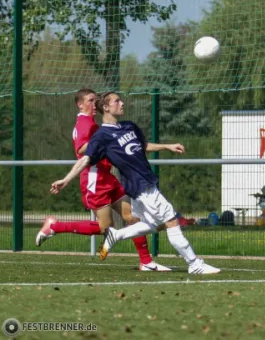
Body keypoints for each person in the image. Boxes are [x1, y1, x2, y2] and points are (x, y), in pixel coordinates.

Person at [50, 92, 221, 275]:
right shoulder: (102, 136)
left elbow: (143, 145)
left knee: (151, 222)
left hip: (145, 182)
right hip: (140, 186)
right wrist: (66, 180)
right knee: (171, 220)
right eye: (117, 101)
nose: (122, 103)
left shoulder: (129, 126)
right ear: (106, 108)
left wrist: (167, 146)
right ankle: (194, 264)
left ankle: (117, 235)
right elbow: (85, 159)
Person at [36, 88, 170, 272]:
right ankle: (55, 226)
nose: (94, 104)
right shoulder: (84, 122)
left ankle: (146, 261)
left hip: (106, 176)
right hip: (94, 179)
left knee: (132, 217)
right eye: (90, 100)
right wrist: (102, 143)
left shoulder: (91, 122)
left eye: (95, 100)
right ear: (80, 104)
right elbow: (81, 149)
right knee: (104, 227)